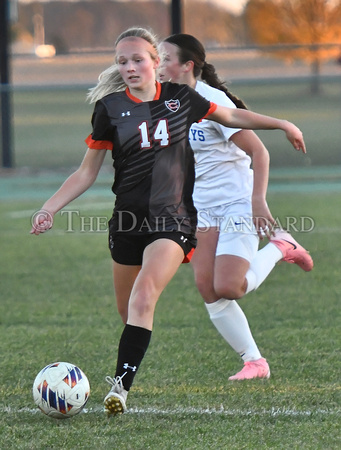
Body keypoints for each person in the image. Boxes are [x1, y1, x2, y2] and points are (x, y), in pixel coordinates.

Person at [30, 27, 308, 416]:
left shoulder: (182, 98)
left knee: (145, 297)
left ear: (155, 62)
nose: (129, 67)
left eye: (138, 59)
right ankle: (132, 365)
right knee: (128, 312)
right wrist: (49, 207)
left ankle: (120, 389)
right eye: (122, 61)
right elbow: (85, 172)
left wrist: (282, 124)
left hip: (173, 221)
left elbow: (230, 114)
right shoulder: (109, 109)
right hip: (127, 222)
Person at [158, 34, 313, 380]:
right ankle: (254, 362)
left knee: (229, 287)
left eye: (165, 58)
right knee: (207, 288)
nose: (158, 65)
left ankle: (280, 246)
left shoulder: (211, 101)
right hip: (201, 209)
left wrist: (258, 201)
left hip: (237, 203)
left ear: (187, 66)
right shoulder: (163, 102)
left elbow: (259, 152)